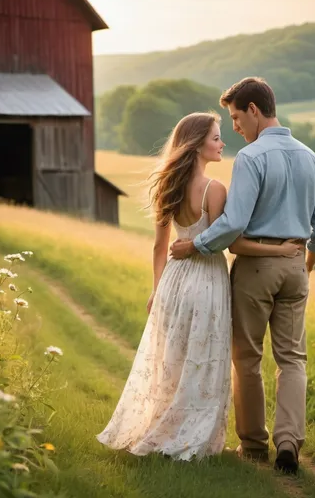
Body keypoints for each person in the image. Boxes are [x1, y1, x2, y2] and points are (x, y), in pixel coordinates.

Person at [96, 111, 302, 461]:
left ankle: (166, 426)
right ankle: (192, 434)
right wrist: (280, 249)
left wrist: (157, 289)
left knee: (173, 360)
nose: (223, 143)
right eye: (216, 137)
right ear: (196, 145)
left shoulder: (167, 186)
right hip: (207, 280)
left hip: (174, 281)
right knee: (204, 361)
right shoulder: (214, 188)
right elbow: (228, 242)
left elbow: (160, 248)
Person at [170, 78, 315, 473]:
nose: (236, 127)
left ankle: (255, 446)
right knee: (293, 358)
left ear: (255, 110)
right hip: (295, 262)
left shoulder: (252, 158)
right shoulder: (312, 157)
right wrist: (305, 265)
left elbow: (234, 222)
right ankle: (289, 443)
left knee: (246, 356)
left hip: (256, 266)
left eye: (237, 117)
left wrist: (196, 245)